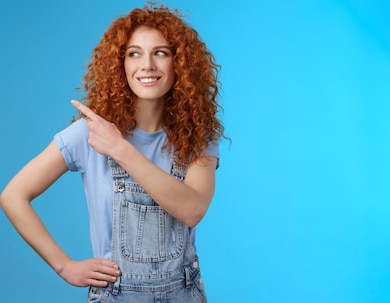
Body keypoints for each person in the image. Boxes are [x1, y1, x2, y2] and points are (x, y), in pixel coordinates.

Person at [0, 3, 224, 302]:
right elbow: (13, 196)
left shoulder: (197, 136)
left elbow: (192, 209)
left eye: (160, 52)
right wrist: (64, 266)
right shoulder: (89, 134)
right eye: (134, 53)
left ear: (180, 63)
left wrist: (120, 148)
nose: (147, 65)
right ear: (120, 64)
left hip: (184, 293)